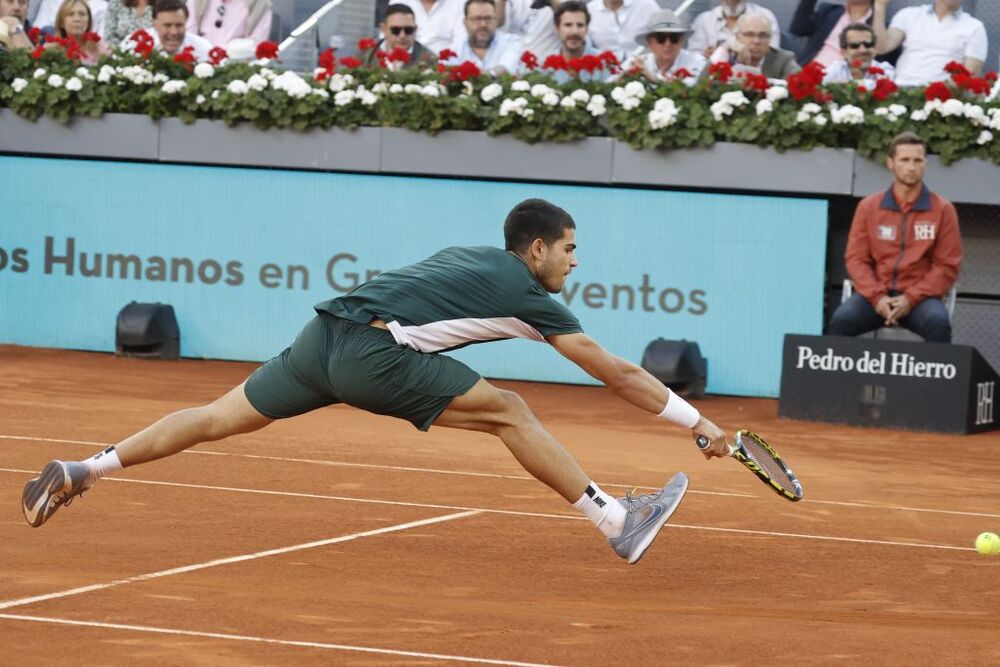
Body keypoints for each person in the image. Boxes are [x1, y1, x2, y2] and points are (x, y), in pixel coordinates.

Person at [22, 199, 730, 566]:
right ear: (537, 249)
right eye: (570, 248)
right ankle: (615, 520)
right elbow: (615, 371)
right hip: (369, 352)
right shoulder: (528, 289)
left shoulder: (472, 255)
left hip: (321, 336)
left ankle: (86, 465)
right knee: (510, 408)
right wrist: (693, 419)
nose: (576, 261)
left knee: (216, 415)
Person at [827, 133, 962, 343]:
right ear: (890, 163)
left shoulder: (943, 209)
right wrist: (877, 297)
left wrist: (910, 298)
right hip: (874, 297)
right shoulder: (869, 206)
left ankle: (925, 378)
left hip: (919, 299)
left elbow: (947, 266)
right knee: (841, 321)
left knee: (939, 324)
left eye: (917, 160)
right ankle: (838, 378)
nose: (911, 167)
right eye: (904, 160)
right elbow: (856, 259)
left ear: (925, 164)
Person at [872, 0, 987, 86]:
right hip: (902, 89)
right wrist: (880, 5)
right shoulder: (908, 14)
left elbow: (971, 76)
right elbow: (881, 47)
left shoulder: (974, 27)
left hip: (941, 100)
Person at [625, 8, 705, 85]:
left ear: (681, 41)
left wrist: (651, 77)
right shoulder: (637, 62)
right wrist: (624, 75)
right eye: (661, 38)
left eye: (674, 38)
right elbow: (613, 83)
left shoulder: (697, 63)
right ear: (649, 43)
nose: (668, 44)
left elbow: (687, 89)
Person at [709, 12, 800, 80]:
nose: (756, 41)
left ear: (770, 39)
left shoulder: (783, 59)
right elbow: (701, 84)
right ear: (737, 36)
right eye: (749, 34)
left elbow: (801, 84)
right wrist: (725, 47)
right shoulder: (727, 56)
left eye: (763, 35)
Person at [443, 0, 522, 76]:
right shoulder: (454, 50)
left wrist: (486, 76)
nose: (483, 24)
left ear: (495, 20)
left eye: (488, 18)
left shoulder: (511, 42)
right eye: (477, 19)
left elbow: (507, 68)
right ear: (465, 22)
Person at [790, 0, 872, 68]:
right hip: (808, 74)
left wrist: (880, 7)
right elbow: (798, 29)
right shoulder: (830, 11)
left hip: (842, 83)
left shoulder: (877, 26)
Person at [688, 0, 778, 61]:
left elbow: (772, 52)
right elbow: (693, 56)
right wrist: (705, 55)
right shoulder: (704, 20)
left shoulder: (765, 16)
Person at [123, 0, 211, 59]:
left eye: (179, 25)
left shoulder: (203, 49)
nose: (174, 32)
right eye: (167, 25)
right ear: (154, 24)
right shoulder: (132, 45)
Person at [822, 22, 894, 86]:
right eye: (855, 45)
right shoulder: (836, 69)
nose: (863, 50)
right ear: (843, 53)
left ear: (875, 50)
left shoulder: (885, 69)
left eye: (868, 44)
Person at [584, 0, 657, 63]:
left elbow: (663, 36)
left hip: (644, 67)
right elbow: (585, 48)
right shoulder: (589, 11)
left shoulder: (647, 6)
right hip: (605, 72)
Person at [363, 3, 435, 67]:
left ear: (415, 29)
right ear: (384, 29)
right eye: (396, 30)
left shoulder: (428, 59)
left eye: (408, 30)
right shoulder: (368, 54)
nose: (402, 35)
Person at [185, 0, 271, 49]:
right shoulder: (196, 1)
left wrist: (221, 53)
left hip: (237, 66)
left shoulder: (260, 4)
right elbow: (188, 35)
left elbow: (256, 44)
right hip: (199, 61)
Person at [395, 0, 464, 55]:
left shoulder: (460, 3)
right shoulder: (399, 1)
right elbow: (389, 35)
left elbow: (460, 43)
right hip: (406, 63)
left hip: (444, 64)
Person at [32, 0, 106, 36]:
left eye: (82, 14)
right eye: (70, 14)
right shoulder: (51, 1)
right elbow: (37, 30)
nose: (77, 19)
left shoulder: (102, 7)